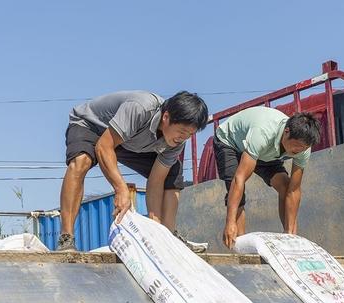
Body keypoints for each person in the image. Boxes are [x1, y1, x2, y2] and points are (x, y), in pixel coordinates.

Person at [58, 90, 208, 251]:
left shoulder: (177, 142)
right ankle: (66, 237)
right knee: (81, 161)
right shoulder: (140, 108)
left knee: (173, 171)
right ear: (166, 117)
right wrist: (121, 189)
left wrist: (154, 225)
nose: (183, 138)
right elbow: (103, 146)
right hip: (92, 126)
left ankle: (168, 236)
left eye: (189, 135)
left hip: (126, 140)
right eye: (182, 132)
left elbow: (156, 180)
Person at [213, 106, 321, 248]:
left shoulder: (303, 148)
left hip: (264, 152)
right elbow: (239, 179)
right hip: (230, 142)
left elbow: (293, 190)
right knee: (239, 191)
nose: (299, 151)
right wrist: (230, 222)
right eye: (297, 146)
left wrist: (291, 233)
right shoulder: (263, 132)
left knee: (285, 185)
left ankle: (288, 236)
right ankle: (240, 247)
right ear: (286, 132)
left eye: (304, 148)